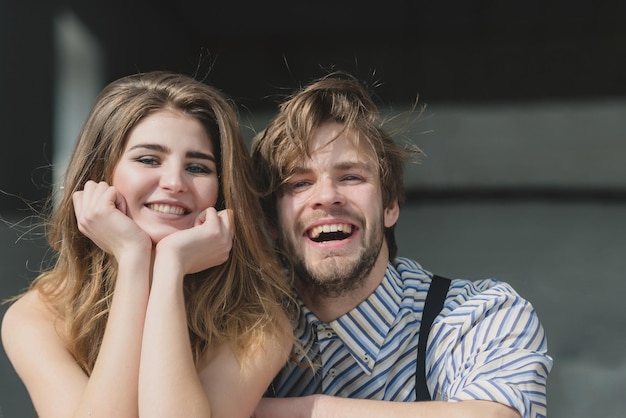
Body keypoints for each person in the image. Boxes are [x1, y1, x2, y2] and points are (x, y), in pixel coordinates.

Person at [250, 73, 553, 418]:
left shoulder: (480, 313)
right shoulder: (240, 324)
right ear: (272, 223)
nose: (326, 197)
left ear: (390, 205)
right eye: (299, 183)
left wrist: (263, 411)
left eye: (350, 177)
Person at [1, 71, 293, 418]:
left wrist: (171, 267)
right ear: (100, 172)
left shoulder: (257, 323)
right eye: (149, 159)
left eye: (198, 167)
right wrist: (133, 256)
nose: (174, 182)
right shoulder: (39, 315)